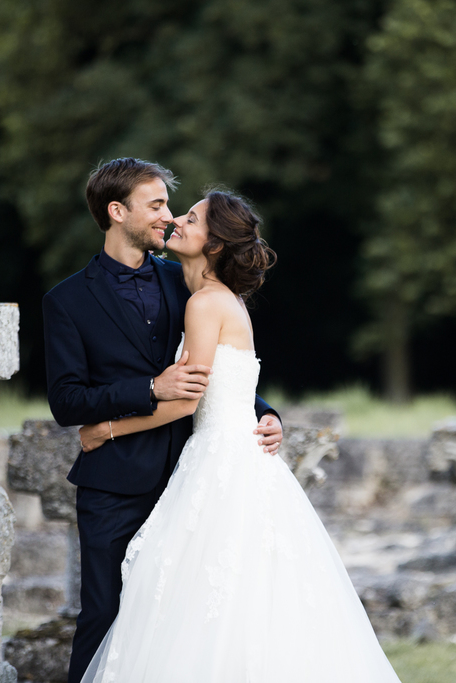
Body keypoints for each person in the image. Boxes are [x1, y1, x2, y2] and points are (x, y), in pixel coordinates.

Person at [76, 189, 403, 682]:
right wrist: (264, 415)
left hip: (219, 460)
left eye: (191, 218)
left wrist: (108, 429)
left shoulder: (206, 304)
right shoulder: (208, 297)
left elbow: (186, 400)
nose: (177, 221)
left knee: (205, 597)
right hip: (232, 455)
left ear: (214, 245)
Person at [41, 158, 284, 683]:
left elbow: (223, 370)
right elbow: (67, 401)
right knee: (105, 616)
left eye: (172, 208)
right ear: (115, 211)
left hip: (195, 481)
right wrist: (147, 389)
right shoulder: (66, 301)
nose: (169, 218)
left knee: (188, 620)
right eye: (156, 206)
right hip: (115, 485)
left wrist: (266, 414)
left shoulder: (190, 283)